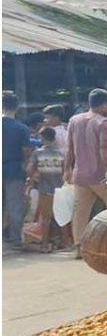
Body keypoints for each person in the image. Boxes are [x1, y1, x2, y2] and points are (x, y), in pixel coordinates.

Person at [63, 89, 107, 255]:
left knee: (80, 212)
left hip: (79, 174)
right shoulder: (103, 122)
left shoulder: (74, 120)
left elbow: (70, 148)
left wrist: (67, 169)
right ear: (105, 104)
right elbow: (104, 148)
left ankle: (79, 246)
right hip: (99, 175)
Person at [24, 128, 66, 251]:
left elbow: (29, 168)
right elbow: (64, 170)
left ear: (42, 138)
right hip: (59, 189)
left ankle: (44, 243)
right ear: (54, 138)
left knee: (45, 217)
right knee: (62, 216)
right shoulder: (60, 153)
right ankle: (66, 242)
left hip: (44, 189)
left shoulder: (37, 153)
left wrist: (34, 177)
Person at [3, 91, 34, 246]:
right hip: (14, 169)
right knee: (14, 205)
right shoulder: (21, 128)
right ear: (17, 107)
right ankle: (14, 239)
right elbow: (26, 152)